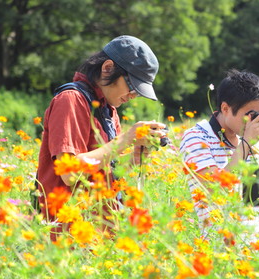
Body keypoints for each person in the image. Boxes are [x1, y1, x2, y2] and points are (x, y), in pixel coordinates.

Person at [36, 35, 167, 241]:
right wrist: (126, 138)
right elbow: (69, 174)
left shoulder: (108, 110)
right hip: (66, 236)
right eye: (132, 86)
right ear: (107, 68)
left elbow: (109, 172)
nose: (134, 95)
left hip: (99, 232)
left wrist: (137, 155)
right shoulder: (71, 100)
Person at [179, 69, 259, 241]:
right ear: (225, 108)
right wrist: (246, 143)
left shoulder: (248, 138)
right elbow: (213, 190)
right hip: (221, 250)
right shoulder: (196, 137)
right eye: (251, 115)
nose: (255, 122)